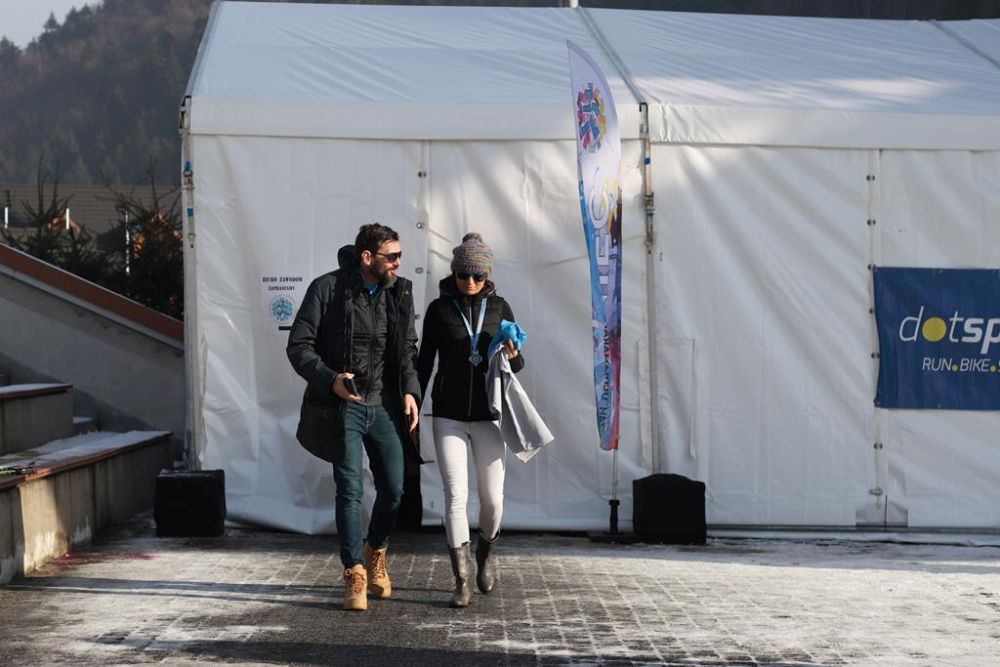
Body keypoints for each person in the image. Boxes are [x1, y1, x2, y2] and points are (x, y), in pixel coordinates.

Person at [286, 223, 420, 612]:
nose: (398, 263)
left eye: (399, 255)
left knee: (394, 488)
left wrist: (410, 391)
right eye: (391, 256)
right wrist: (331, 380)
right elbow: (299, 346)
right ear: (367, 257)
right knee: (349, 490)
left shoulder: (399, 292)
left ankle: (375, 550)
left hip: (385, 405)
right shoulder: (327, 288)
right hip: (342, 407)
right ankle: (354, 571)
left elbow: (407, 349)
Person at [417, 232, 524, 607]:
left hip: (489, 415)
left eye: (478, 276)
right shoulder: (439, 310)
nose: (470, 282)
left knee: (492, 499)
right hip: (448, 414)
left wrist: (513, 355)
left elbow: (518, 365)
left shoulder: (500, 307)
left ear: (488, 274)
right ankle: (461, 579)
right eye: (463, 274)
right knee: (455, 496)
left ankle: (487, 551)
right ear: (454, 272)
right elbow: (424, 361)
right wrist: (412, 401)